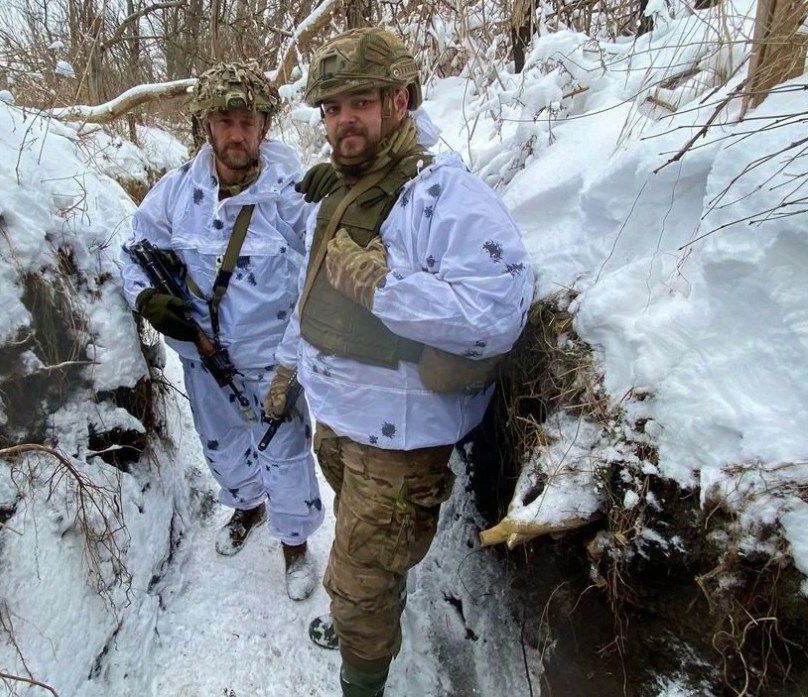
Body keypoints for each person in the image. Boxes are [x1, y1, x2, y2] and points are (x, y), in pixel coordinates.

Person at [265, 29, 534, 696]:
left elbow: (497, 312)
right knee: (374, 559)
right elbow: (311, 296)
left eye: (358, 101)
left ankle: (364, 663)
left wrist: (384, 288)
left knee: (355, 584)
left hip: (399, 440)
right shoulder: (344, 189)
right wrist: (287, 366)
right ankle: (377, 604)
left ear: (401, 100)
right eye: (330, 108)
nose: (340, 120)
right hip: (340, 419)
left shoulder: (441, 195)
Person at [121, 63, 323, 601]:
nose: (236, 134)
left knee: (285, 450)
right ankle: (247, 507)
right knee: (224, 446)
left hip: (273, 358)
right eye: (224, 121)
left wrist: (293, 360)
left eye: (247, 121)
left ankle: (295, 546)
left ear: (263, 127)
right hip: (200, 357)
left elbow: (318, 277)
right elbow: (134, 251)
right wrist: (147, 298)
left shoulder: (291, 195)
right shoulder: (177, 194)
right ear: (206, 126)